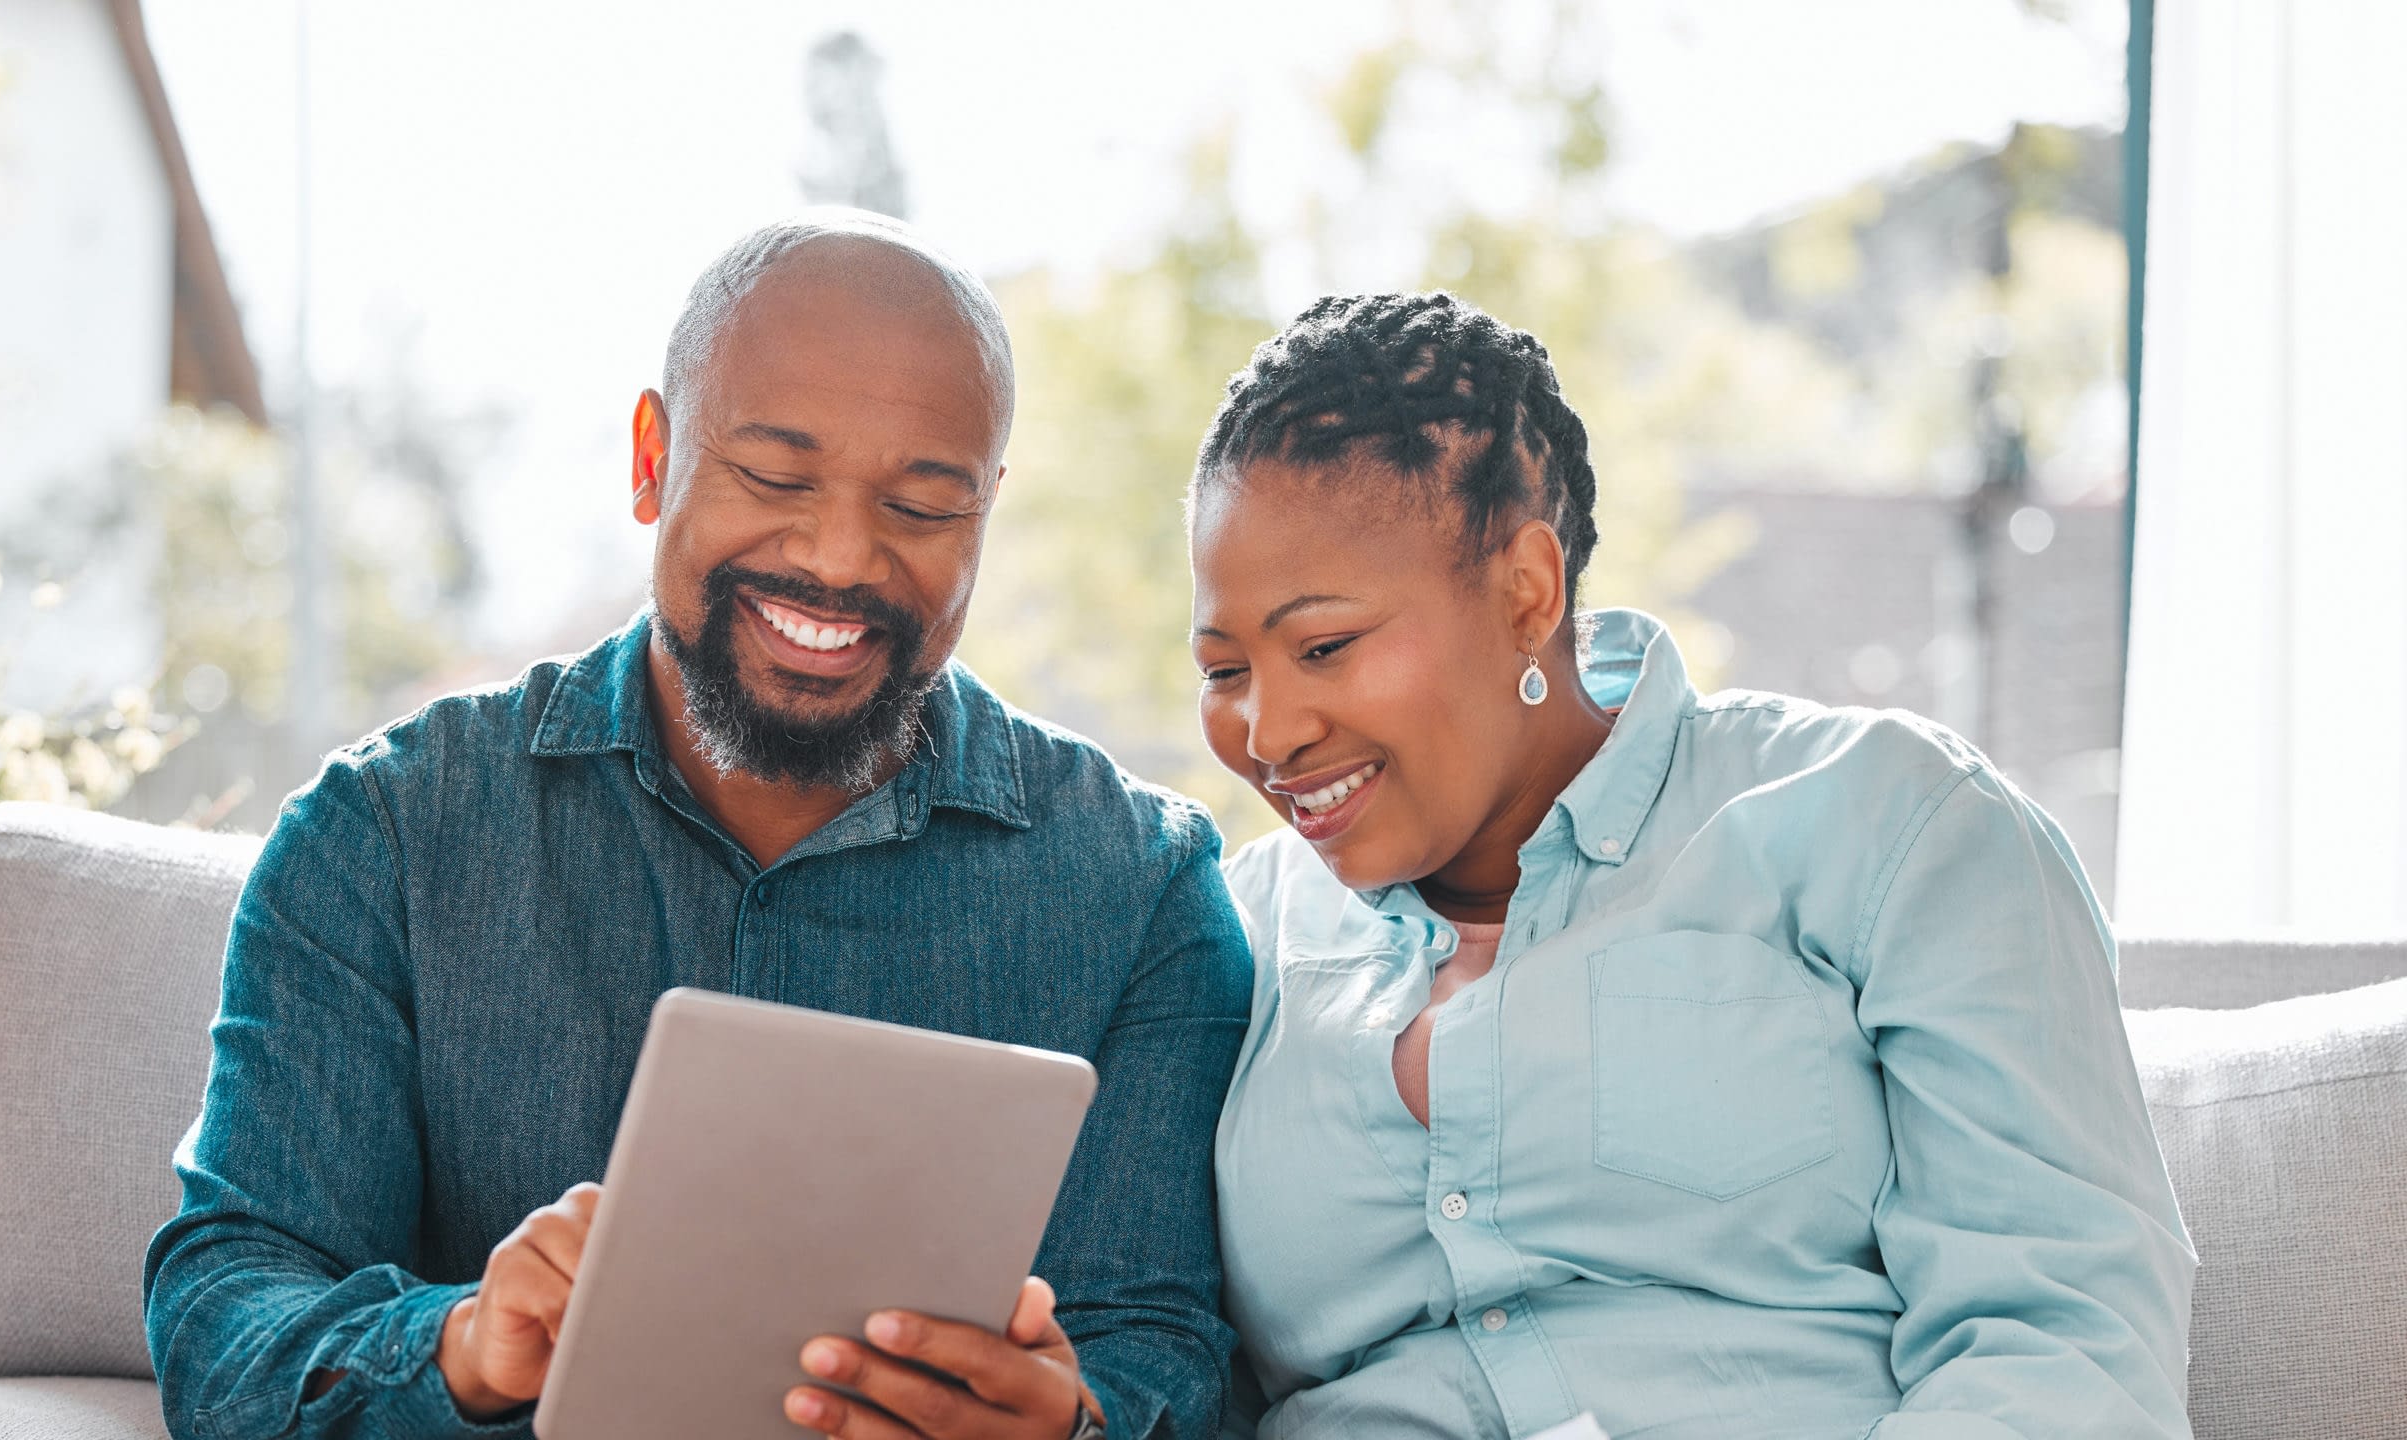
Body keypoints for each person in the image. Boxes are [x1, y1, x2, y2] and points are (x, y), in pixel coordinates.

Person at [142, 212, 1252, 1440]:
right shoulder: (389, 832)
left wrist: (1072, 1422)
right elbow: (227, 1313)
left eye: (923, 507)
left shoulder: (1141, 886)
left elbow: (1168, 1352)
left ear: (986, 510)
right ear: (649, 458)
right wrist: (459, 1347)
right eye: (775, 478)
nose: (838, 556)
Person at [1188, 292, 2196, 1439]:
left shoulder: (1888, 824)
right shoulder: (1232, 930)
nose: (1266, 734)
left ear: (1525, 591)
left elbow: (2063, 1337)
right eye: (1225, 671)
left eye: (1324, 647)